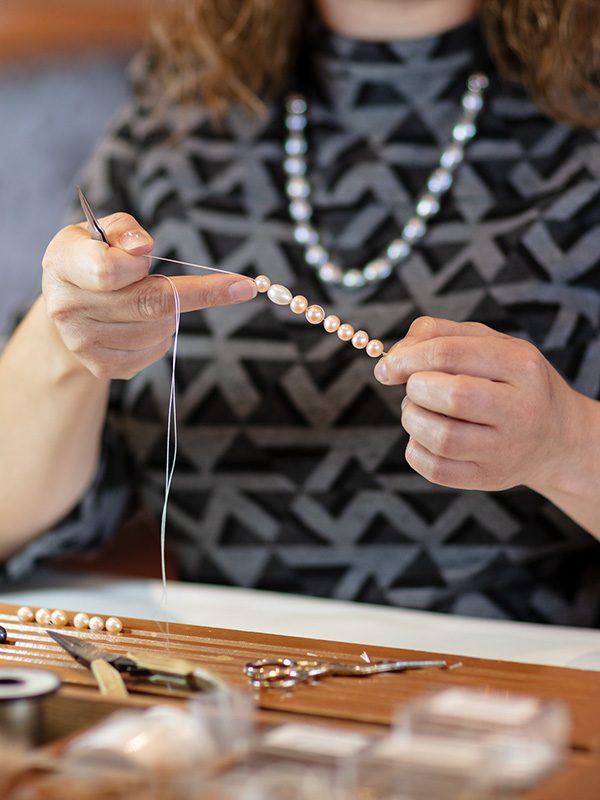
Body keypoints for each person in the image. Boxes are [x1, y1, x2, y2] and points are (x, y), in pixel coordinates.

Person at [1, 0, 599, 625]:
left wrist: (568, 442)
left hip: (533, 696)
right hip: (235, 693)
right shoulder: (178, 119)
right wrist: (64, 338)